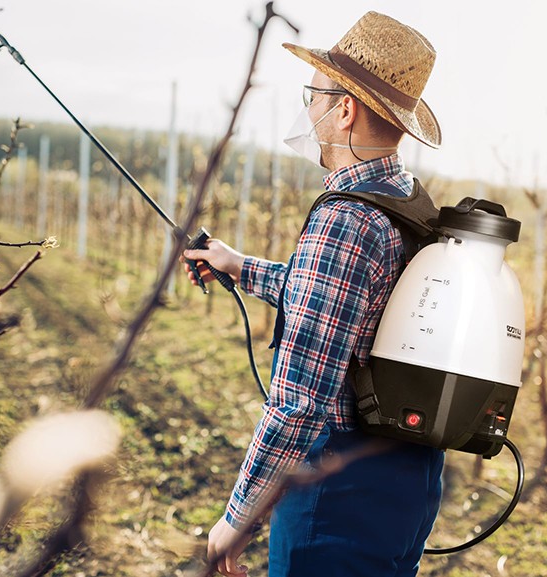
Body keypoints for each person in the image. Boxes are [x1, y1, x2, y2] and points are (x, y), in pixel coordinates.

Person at [183, 12, 444, 577]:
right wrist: (238, 265)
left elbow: (299, 399)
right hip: (407, 478)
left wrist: (237, 518)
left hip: (340, 490)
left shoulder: (346, 221)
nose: (309, 109)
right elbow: (345, 311)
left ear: (345, 108)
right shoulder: (404, 199)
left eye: (315, 95)